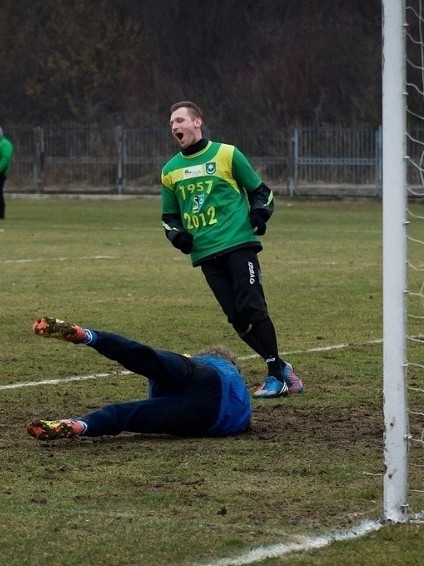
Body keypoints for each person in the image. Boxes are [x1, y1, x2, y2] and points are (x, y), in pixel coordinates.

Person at [160, 101, 303, 399]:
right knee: (238, 320)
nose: (174, 127)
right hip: (205, 254)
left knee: (252, 307)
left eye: (180, 120)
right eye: (172, 122)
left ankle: (277, 373)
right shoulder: (170, 171)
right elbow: (169, 218)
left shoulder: (227, 154)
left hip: (238, 244)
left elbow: (260, 191)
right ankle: (281, 367)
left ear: (198, 123)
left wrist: (259, 215)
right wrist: (179, 238)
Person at [26, 316, 252, 440]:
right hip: (206, 418)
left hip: (204, 376)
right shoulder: (241, 402)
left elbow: (155, 369)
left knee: (143, 355)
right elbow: (244, 424)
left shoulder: (216, 362)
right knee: (125, 415)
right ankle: (80, 426)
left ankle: (90, 337)